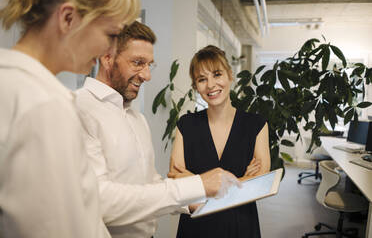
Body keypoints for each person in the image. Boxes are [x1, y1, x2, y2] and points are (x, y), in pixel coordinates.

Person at [75, 21, 240, 238]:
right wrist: (198, 185)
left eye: (149, 65)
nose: (147, 75)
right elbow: (100, 201)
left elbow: (150, 183)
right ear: (107, 58)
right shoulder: (79, 108)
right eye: (137, 63)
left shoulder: (137, 119)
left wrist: (191, 203)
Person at [0, 0, 139, 237]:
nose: (111, 50)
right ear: (67, 18)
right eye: (111, 35)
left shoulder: (11, 82)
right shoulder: (44, 105)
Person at [168, 45, 271, 238]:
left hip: (241, 225)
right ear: (195, 86)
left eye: (217, 74)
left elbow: (259, 184)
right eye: (201, 79)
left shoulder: (256, 125)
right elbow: (175, 177)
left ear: (230, 75)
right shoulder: (186, 125)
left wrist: (196, 183)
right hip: (196, 226)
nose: (210, 85)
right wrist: (241, 182)